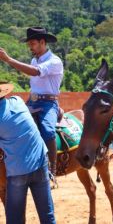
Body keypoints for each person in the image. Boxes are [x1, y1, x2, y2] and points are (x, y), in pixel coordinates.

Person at [0, 27, 63, 185]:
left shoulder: (54, 61)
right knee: (13, 121)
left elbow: (35, 72)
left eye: (33, 43)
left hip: (49, 103)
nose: (30, 47)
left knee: (48, 130)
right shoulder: (35, 59)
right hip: (32, 101)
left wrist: (8, 60)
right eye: (29, 44)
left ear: (43, 42)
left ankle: (52, 171)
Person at [0, 82, 56, 224]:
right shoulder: (17, 100)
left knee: (14, 219)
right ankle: (54, 170)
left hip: (18, 171)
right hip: (41, 163)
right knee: (48, 216)